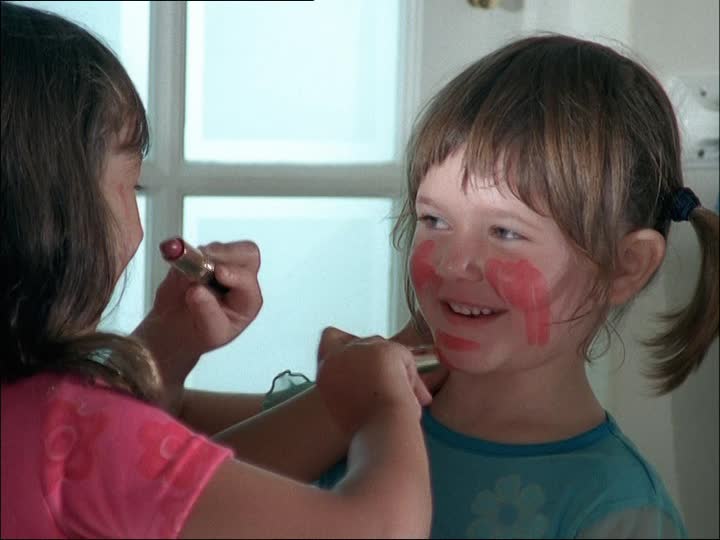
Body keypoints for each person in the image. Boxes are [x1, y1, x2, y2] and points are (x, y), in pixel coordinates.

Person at [0, 3, 434, 538]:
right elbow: (380, 532)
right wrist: (383, 405)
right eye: (131, 184)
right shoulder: (74, 435)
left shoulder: (41, 419)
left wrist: (168, 344)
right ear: (53, 206)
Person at [259, 34, 720, 538]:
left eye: (505, 232)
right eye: (435, 220)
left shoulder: (617, 511)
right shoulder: (352, 407)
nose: (456, 263)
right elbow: (175, 470)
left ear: (625, 267)